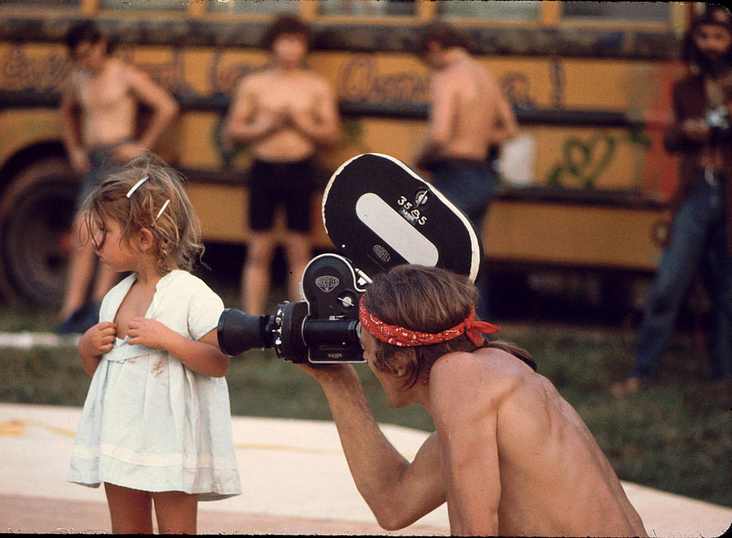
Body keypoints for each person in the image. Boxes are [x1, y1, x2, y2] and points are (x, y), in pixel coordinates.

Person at [299, 264, 648, 537]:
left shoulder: (459, 377)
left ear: (401, 359)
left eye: (366, 344)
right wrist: (337, 381)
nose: (364, 352)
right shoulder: (489, 379)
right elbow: (393, 504)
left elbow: (473, 530)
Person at [67, 154, 241, 534]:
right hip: (121, 438)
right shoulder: (114, 298)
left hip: (171, 444)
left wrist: (169, 340)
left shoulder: (193, 295)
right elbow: (105, 377)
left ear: (143, 239)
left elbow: (218, 362)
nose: (95, 241)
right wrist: (87, 349)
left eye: (105, 231)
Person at [612, 4, 732, 396]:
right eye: (704, 37)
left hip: (729, 199)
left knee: (726, 291)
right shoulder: (686, 88)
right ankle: (642, 372)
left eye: (719, 37)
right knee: (668, 285)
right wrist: (687, 131)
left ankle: (723, 374)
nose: (710, 45)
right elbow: (669, 140)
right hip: (696, 193)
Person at [57, 20, 179, 334]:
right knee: (83, 228)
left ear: (100, 45)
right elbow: (65, 111)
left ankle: (99, 304)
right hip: (94, 159)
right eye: (78, 57)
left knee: (113, 231)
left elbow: (166, 106)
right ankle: (70, 309)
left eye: (88, 53)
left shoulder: (124, 74)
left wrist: (141, 145)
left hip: (120, 158)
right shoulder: (78, 78)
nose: (85, 61)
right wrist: (74, 148)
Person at [223, 14, 341, 314]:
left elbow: (332, 135)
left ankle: (300, 321)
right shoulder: (255, 83)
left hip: (300, 169)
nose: (290, 49)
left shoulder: (316, 86)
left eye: (297, 43)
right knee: (258, 251)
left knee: (299, 251)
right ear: (273, 44)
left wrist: (301, 124)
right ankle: (250, 321)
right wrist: (267, 127)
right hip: (263, 169)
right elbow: (232, 132)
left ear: (305, 47)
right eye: (285, 41)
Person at [412, 21, 518, 320]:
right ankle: (477, 333)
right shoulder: (485, 76)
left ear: (433, 47)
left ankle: (439, 331)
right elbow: (509, 129)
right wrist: (476, 138)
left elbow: (439, 135)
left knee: (437, 257)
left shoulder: (447, 77)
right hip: (483, 175)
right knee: (472, 261)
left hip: (454, 174)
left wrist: (416, 158)